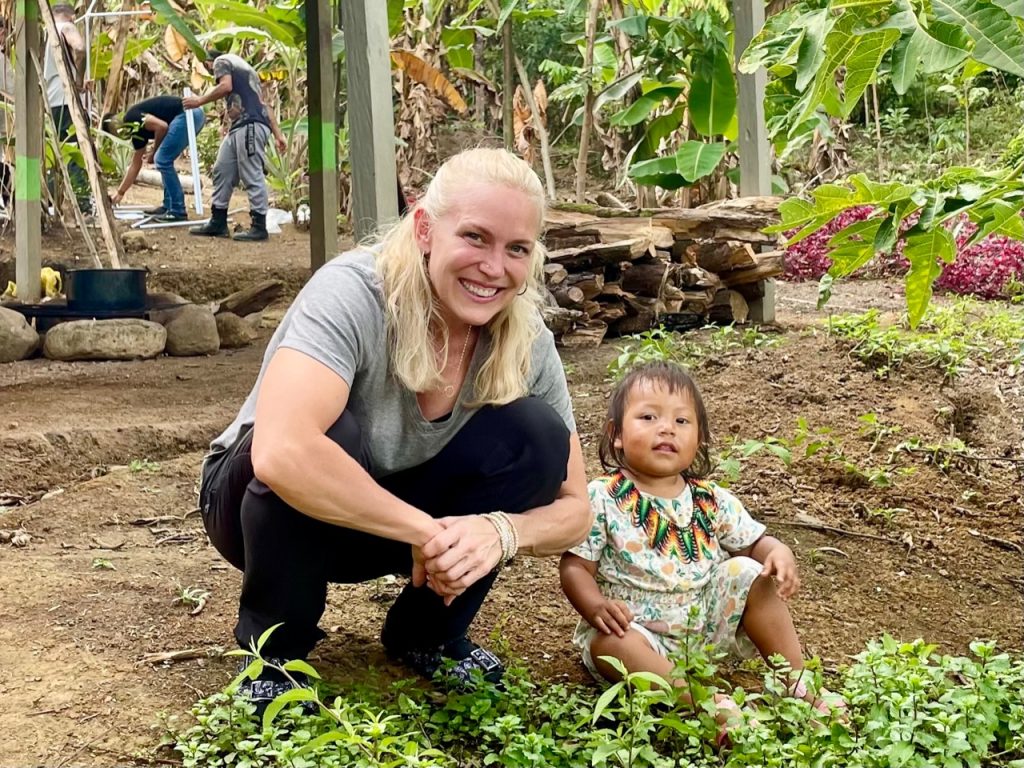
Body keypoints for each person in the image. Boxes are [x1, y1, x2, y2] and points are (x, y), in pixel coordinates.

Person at [198, 147, 590, 709]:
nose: (493, 267)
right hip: (255, 507)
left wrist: (499, 532)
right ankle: (275, 655)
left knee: (538, 434)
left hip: (389, 526)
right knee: (327, 434)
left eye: (516, 249)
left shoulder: (526, 338)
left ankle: (427, 636)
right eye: (475, 237)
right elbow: (282, 452)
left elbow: (575, 510)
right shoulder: (354, 291)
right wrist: (427, 533)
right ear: (426, 228)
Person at [560, 361, 846, 738]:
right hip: (639, 633)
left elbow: (754, 542)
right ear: (616, 435)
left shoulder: (711, 499)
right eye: (648, 417)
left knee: (749, 572)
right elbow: (575, 567)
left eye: (681, 421)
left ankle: (798, 684)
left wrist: (777, 551)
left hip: (705, 632)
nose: (666, 428)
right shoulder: (603, 497)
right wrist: (596, 606)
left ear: (699, 441)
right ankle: (703, 703)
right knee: (609, 645)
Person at [183, 50, 286, 241]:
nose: (211, 71)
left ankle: (259, 226)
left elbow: (225, 86)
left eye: (207, 67)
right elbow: (264, 104)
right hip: (241, 126)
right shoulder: (247, 70)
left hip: (249, 125)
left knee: (251, 173)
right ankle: (218, 221)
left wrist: (199, 101)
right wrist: (278, 134)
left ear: (208, 62)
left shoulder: (221, 61)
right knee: (222, 169)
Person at [103, 96, 206, 221]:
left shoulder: (131, 117)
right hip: (190, 115)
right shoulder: (135, 130)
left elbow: (161, 126)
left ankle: (178, 210)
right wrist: (120, 193)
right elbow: (135, 165)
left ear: (114, 126)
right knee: (164, 160)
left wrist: (154, 152)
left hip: (188, 112)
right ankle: (168, 205)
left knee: (162, 160)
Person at [42, 3, 89, 212]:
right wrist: (78, 81)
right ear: (71, 16)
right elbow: (79, 48)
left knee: (56, 153)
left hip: (52, 100)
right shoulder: (66, 27)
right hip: (65, 99)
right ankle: (82, 203)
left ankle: (54, 202)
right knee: (74, 152)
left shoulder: (48, 34)